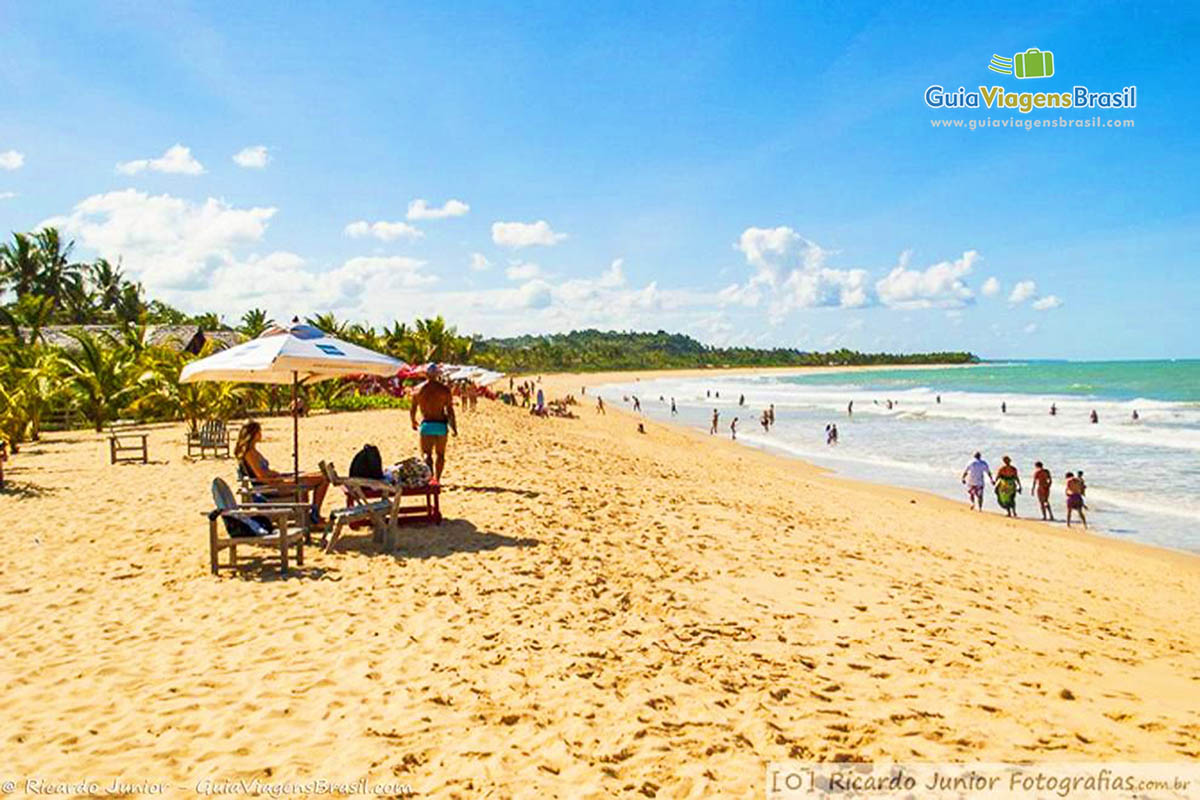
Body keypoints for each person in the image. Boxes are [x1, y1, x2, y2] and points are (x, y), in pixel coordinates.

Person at [235, 420, 329, 524]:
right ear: (253, 434)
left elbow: (264, 473)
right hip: (271, 487)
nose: (261, 434)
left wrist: (277, 474)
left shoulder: (253, 451)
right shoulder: (250, 454)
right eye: (259, 431)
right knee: (322, 479)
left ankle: (313, 514)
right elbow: (262, 477)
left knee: (317, 475)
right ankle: (314, 515)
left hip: (275, 481)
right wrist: (277, 476)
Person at [410, 363, 457, 482]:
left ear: (426, 374)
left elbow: (413, 408)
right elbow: (450, 410)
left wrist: (413, 421)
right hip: (441, 425)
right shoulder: (444, 390)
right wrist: (454, 427)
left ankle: (430, 478)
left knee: (426, 454)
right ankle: (438, 479)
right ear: (437, 375)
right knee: (440, 455)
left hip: (426, 425)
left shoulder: (418, 390)